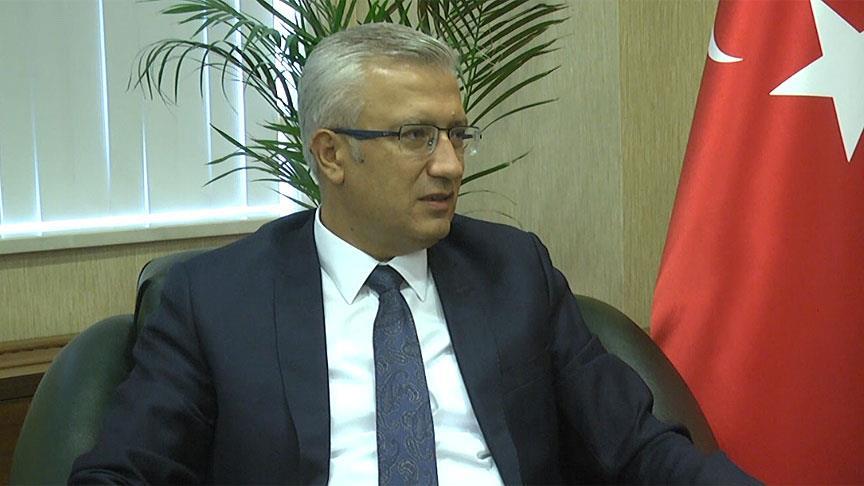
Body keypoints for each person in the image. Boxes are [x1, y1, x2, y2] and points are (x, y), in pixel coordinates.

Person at [70, 23, 757, 485]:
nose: (450, 164)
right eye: (416, 136)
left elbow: (637, 446)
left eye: (457, 134)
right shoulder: (216, 300)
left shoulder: (514, 273)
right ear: (331, 154)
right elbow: (125, 471)